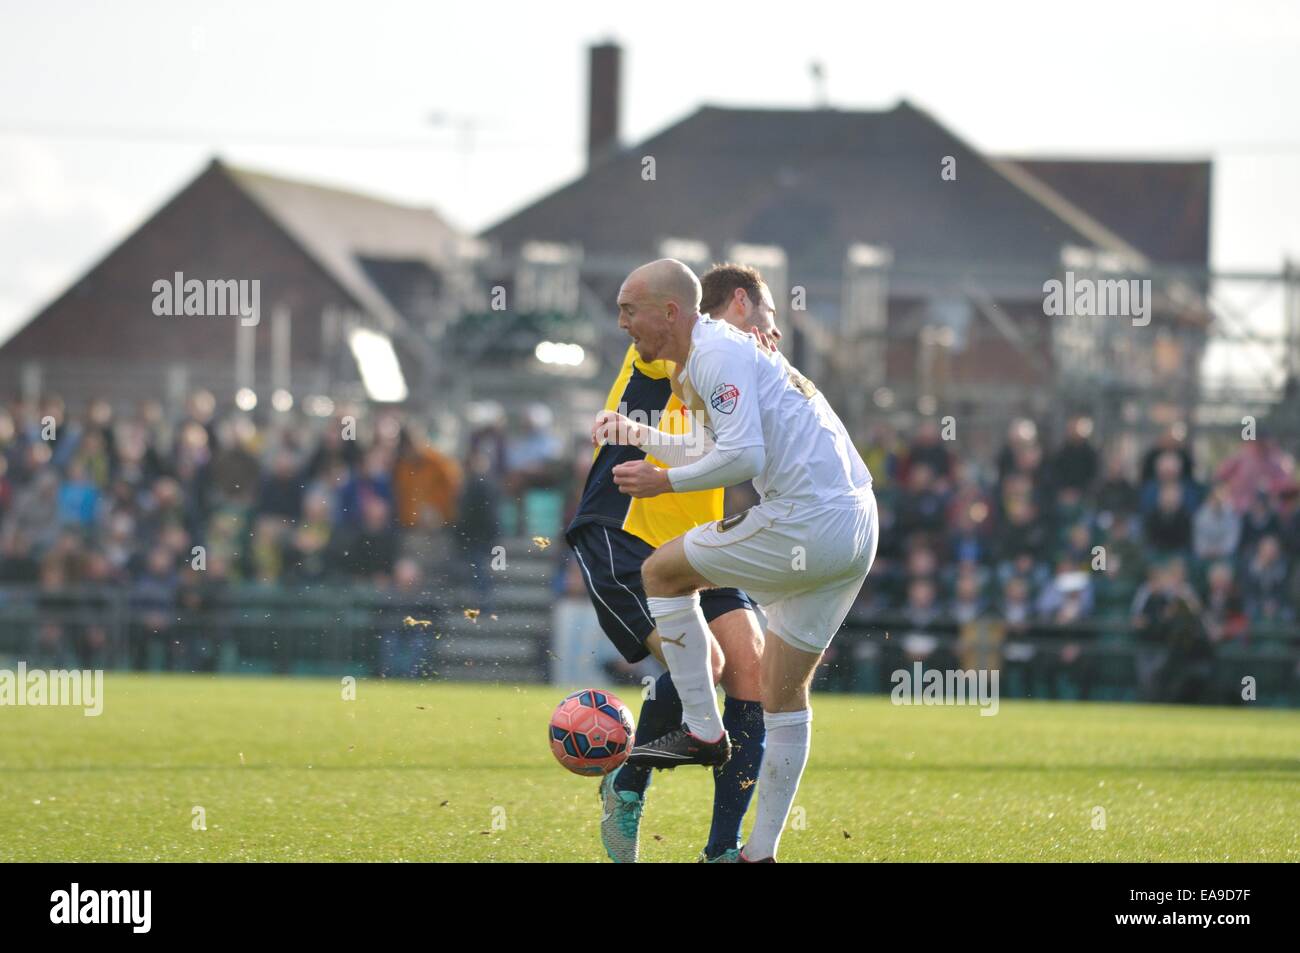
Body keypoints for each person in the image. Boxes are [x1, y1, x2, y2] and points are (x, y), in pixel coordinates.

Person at [601, 259, 877, 863]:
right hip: (856, 525)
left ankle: (702, 728)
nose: (621, 322)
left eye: (629, 309)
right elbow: (711, 444)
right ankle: (759, 853)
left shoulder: (716, 355)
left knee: (661, 572)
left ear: (670, 311)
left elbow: (745, 457)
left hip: (808, 517)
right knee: (783, 695)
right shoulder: (706, 361)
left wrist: (663, 484)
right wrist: (637, 433)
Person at [568, 263, 778, 863]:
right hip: (624, 533)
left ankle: (721, 850)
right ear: (737, 305)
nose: (774, 331)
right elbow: (674, 343)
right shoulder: (671, 348)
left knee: (751, 671)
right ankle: (629, 779)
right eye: (767, 317)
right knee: (705, 664)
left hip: (697, 540)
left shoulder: (736, 366)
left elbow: (727, 448)